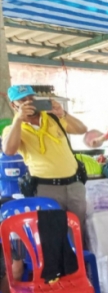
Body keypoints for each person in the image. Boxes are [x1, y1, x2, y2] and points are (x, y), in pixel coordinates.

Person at [2, 85, 88, 228]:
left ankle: (77, 251)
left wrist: (63, 113)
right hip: (46, 188)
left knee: (78, 228)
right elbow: (9, 151)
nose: (29, 102)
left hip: (74, 185)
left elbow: (82, 129)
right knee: (52, 232)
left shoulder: (53, 118)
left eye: (32, 98)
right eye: (23, 100)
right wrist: (18, 120)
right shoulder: (12, 129)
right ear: (13, 105)